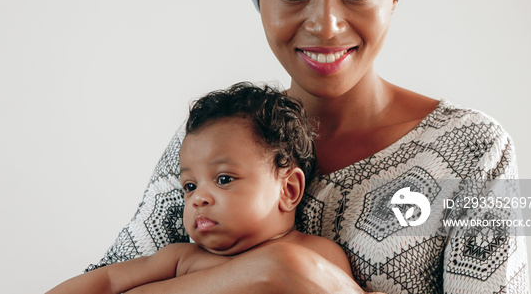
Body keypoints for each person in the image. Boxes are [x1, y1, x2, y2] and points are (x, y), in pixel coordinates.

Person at [86, 0, 531, 293]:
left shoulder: (479, 150)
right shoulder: (208, 145)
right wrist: (272, 272)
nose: (327, 25)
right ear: (258, 0)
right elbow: (98, 282)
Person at [47, 83, 365, 294]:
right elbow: (107, 279)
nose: (198, 197)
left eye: (224, 179)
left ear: (289, 189)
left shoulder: (319, 255)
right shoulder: (183, 259)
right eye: (189, 185)